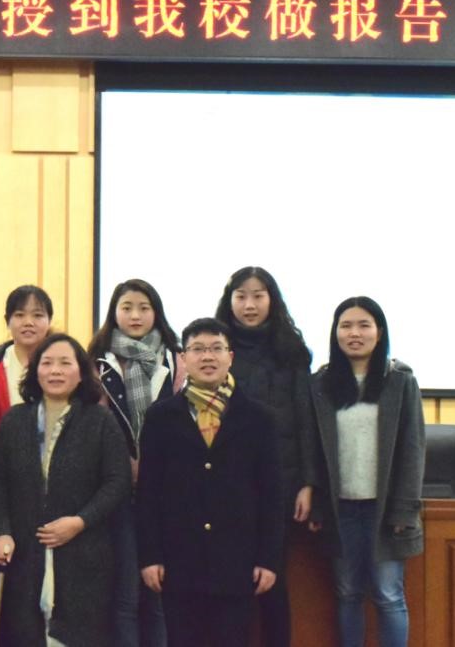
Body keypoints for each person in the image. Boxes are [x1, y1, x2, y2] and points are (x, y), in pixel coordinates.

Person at [137, 318, 282, 647]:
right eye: (198, 349)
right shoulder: (161, 417)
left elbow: (272, 496)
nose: (207, 356)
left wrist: (268, 559)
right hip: (178, 562)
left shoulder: (260, 419)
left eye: (216, 348)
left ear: (230, 357)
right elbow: (148, 493)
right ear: (183, 358)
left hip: (237, 562)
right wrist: (150, 556)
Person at [0, 333, 131, 647]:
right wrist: (1, 531)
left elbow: (118, 481)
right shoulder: (14, 420)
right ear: (35, 371)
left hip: (84, 555)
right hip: (24, 553)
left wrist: (80, 521)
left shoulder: (100, 421)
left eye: (65, 363)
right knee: (26, 634)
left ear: (81, 373)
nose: (55, 370)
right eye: (47, 363)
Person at [308, 297, 425, 647]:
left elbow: (413, 448)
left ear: (379, 332)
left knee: (388, 594)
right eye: (346, 326)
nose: (354, 333)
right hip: (340, 508)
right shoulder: (320, 384)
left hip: (384, 509)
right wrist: (317, 505)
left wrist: (404, 509)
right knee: (348, 592)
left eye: (364, 325)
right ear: (335, 333)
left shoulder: (400, 382)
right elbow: (312, 449)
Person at [213, 266, 317, 647]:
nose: (249, 305)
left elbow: (306, 421)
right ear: (230, 301)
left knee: (274, 581)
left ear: (272, 299)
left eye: (258, 296)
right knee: (230, 585)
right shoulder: (216, 351)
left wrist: (308, 483)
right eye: (241, 296)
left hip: (282, 486)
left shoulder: (291, 353)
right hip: (228, 488)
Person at [88, 279, 182, 647]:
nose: (135, 315)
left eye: (144, 307)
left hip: (168, 494)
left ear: (156, 312)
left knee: (159, 595)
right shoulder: (97, 363)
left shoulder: (176, 361)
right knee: (126, 595)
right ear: (114, 313)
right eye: (126, 307)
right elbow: (91, 427)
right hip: (118, 493)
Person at [0, 285, 55, 406]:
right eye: (20, 315)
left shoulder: (66, 366)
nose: (28, 322)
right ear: (7, 321)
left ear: (49, 320)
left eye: (37, 315)